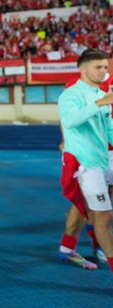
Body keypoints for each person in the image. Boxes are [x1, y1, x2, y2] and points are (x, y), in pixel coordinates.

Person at [59, 48, 113, 273]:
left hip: (103, 159)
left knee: (93, 207)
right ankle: (102, 249)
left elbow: (108, 127)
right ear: (83, 68)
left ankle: (69, 246)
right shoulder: (71, 93)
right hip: (84, 163)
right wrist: (101, 104)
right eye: (98, 67)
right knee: (102, 213)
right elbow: (70, 120)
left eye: (105, 68)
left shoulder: (101, 94)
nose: (103, 71)